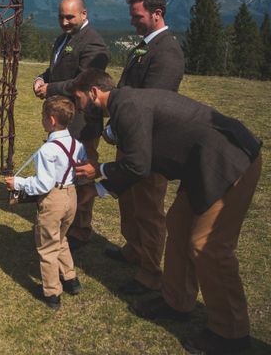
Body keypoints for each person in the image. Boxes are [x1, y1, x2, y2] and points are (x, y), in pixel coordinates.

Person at [72, 69, 262, 355]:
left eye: (78, 99)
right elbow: (141, 159)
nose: (78, 107)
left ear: (93, 92)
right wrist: (99, 188)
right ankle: (177, 302)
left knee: (208, 246)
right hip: (200, 167)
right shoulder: (126, 104)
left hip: (229, 161)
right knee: (178, 224)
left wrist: (98, 172)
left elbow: (137, 165)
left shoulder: (126, 105)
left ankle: (231, 335)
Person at [105, 0, 185, 295]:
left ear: (157, 13)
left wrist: (123, 127)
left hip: (151, 143)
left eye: (137, 16)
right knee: (128, 198)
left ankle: (150, 273)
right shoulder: (143, 46)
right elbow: (127, 90)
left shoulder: (167, 52)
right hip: (129, 136)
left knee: (149, 208)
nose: (132, 21)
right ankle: (133, 248)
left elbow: (153, 102)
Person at [33, 0, 109, 250]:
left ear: (84, 14)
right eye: (61, 17)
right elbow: (55, 69)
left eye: (70, 17)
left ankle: (80, 230)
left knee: (81, 174)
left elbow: (84, 81)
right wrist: (40, 79)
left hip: (82, 121)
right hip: (64, 119)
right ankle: (64, 222)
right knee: (62, 171)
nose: (64, 22)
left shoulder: (93, 44)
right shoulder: (63, 38)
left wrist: (51, 87)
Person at [5, 96, 86, 310]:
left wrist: (19, 183)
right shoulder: (77, 144)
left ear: (50, 120)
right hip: (71, 196)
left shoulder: (47, 150)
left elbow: (43, 184)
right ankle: (71, 279)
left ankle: (52, 293)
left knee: (47, 247)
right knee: (60, 238)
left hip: (53, 199)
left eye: (42, 116)